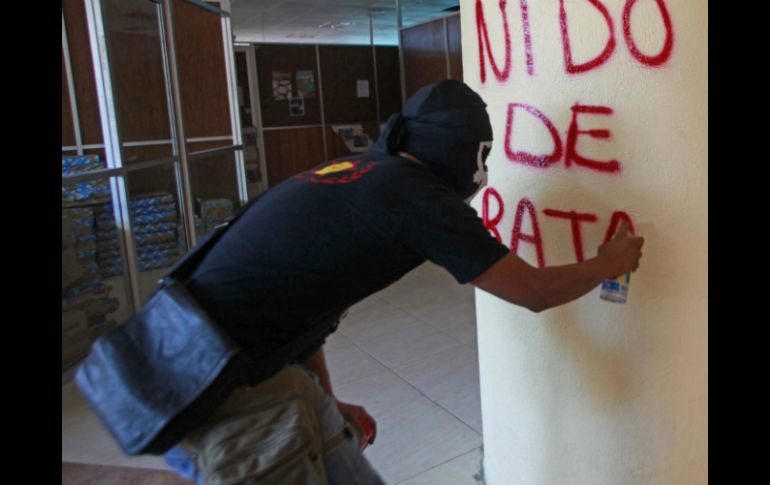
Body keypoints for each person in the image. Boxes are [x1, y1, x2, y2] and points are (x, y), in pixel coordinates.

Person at [164, 80, 644, 484]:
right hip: (217, 390)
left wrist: (326, 402)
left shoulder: (363, 173)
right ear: (458, 150)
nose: (484, 169)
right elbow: (533, 292)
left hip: (204, 358)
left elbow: (305, 308)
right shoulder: (416, 199)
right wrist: (606, 264)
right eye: (482, 152)